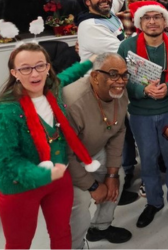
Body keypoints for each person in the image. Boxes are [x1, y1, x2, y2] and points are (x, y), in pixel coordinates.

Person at [0, 43, 99, 249]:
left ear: (47, 68)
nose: (33, 73)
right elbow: (7, 163)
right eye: (25, 68)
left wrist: (90, 61)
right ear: (14, 72)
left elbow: (69, 74)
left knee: (62, 233)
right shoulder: (2, 113)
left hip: (58, 180)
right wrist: (44, 175)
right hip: (21, 187)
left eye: (39, 66)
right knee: (19, 243)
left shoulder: (52, 89)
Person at [117, 1, 168, 228]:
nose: (152, 21)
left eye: (157, 17)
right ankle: (153, 202)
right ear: (140, 22)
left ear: (165, 21)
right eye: (147, 17)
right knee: (148, 160)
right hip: (141, 114)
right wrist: (143, 90)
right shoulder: (126, 47)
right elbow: (121, 79)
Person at [64, 53, 132, 248]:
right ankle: (75, 246)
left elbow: (118, 132)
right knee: (79, 207)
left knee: (116, 182)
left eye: (124, 75)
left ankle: (100, 227)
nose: (121, 82)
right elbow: (66, 154)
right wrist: (93, 186)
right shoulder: (73, 102)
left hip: (95, 151)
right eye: (113, 74)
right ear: (94, 76)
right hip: (66, 162)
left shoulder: (119, 92)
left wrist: (111, 175)